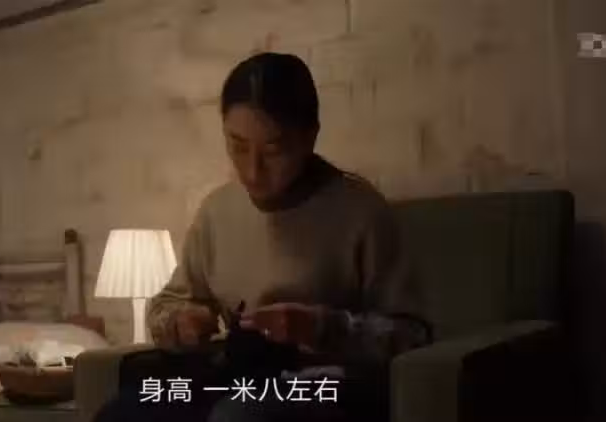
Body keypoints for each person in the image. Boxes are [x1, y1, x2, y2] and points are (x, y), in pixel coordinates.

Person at [98, 52, 431, 422]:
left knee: (240, 415)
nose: (252, 171)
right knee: (124, 412)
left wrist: (320, 327)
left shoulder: (360, 211)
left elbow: (411, 334)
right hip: (239, 377)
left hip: (327, 385)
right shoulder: (217, 212)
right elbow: (166, 306)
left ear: (309, 137)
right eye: (238, 146)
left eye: (273, 150)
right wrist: (182, 324)